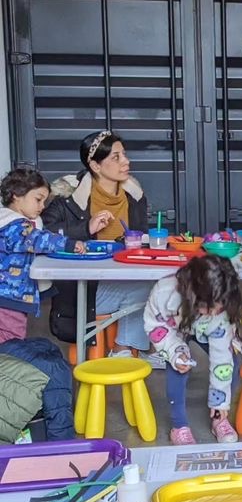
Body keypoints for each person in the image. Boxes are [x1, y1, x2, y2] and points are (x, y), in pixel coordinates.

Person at [43, 130, 164, 367]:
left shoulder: (134, 196)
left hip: (123, 276)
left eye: (125, 155)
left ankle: (128, 348)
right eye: (116, 157)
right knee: (146, 286)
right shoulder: (69, 197)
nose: (126, 162)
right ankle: (127, 348)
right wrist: (85, 228)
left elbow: (139, 237)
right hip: (86, 289)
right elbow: (43, 232)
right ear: (95, 166)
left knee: (163, 281)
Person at [144, 256, 242, 446]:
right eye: (209, 308)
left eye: (219, 308)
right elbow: (155, 327)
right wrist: (175, 352)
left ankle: (219, 419)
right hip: (174, 328)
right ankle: (179, 426)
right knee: (178, 368)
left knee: (231, 361)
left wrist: (220, 403)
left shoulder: (220, 307)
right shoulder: (164, 293)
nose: (215, 312)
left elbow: (221, 358)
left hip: (208, 330)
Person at [0, 167, 86, 342]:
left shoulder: (17, 223)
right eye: (38, 199)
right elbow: (36, 239)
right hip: (7, 296)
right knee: (11, 339)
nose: (42, 206)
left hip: (10, 294)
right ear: (16, 195)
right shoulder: (14, 225)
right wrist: (68, 244)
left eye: (44, 201)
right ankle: (9, 367)